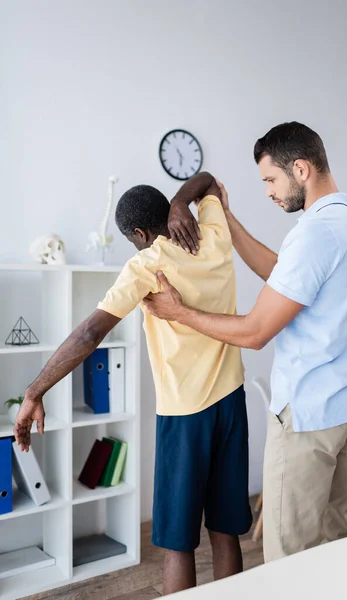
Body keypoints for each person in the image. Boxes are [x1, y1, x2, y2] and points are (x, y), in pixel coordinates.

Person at [142, 121, 347, 563]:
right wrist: (227, 221)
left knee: (290, 557)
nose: (269, 192)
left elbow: (254, 332)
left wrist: (180, 313)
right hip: (346, 408)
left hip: (309, 416)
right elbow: (279, 272)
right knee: (335, 548)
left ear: (301, 170)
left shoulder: (315, 234)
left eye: (271, 179)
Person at [13, 173, 252, 595]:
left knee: (178, 542)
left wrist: (34, 391)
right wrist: (183, 200)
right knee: (225, 530)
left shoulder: (147, 263)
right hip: (232, 402)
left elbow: (89, 334)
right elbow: (209, 182)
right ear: (171, 212)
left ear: (139, 233)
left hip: (185, 414)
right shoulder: (214, 232)